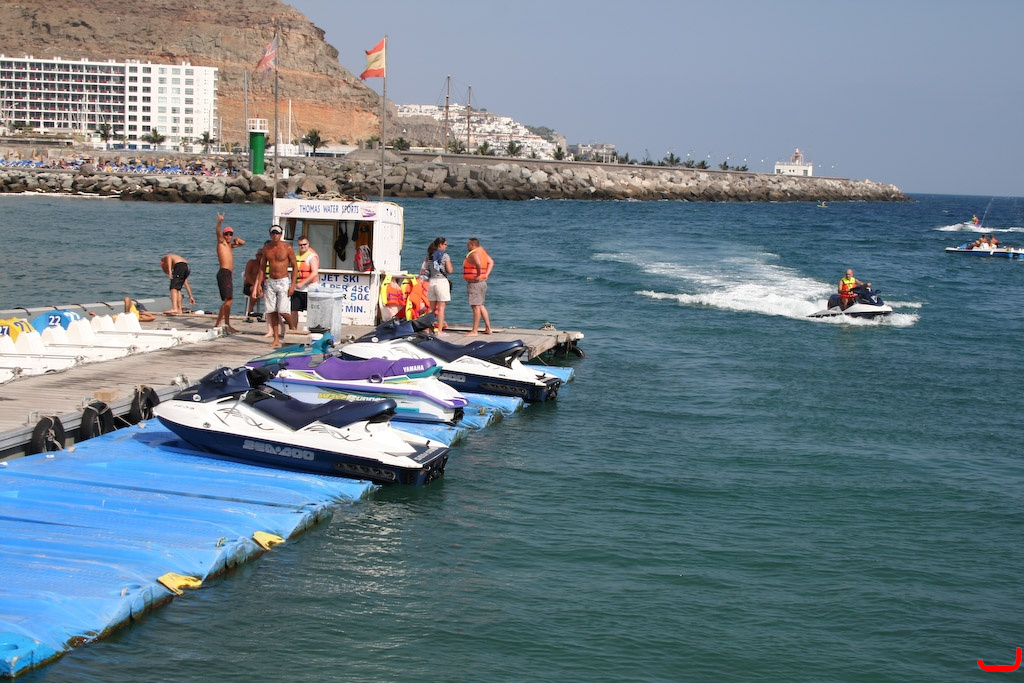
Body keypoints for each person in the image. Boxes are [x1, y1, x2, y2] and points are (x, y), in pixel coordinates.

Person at [253, 224, 297, 348]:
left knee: (283, 310)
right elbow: (262, 267)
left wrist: (292, 285)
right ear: (270, 234)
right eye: (273, 233)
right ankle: (276, 339)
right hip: (271, 281)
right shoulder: (267, 248)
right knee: (272, 311)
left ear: (281, 234)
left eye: (277, 233)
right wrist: (259, 284)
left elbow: (295, 267)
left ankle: (292, 327)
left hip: (283, 281)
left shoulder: (287, 248)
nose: (275, 235)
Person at [214, 212, 246, 333]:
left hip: (227, 274)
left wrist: (238, 241)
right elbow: (217, 231)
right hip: (224, 273)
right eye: (226, 234)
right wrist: (219, 221)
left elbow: (243, 243)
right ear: (223, 235)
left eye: (230, 234)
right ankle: (225, 324)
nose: (228, 236)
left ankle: (220, 324)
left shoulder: (229, 245)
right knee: (229, 300)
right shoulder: (222, 243)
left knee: (228, 300)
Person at [463, 237, 494, 336]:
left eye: (468, 244)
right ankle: (488, 328)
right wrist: (486, 274)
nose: (467, 246)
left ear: (472, 245)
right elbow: (491, 262)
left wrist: (478, 274)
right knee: (480, 305)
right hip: (482, 283)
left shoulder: (474, 253)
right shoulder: (482, 252)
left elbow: (478, 263)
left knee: (476, 307)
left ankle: (474, 331)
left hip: (475, 283)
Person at [288, 235, 319, 330]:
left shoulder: (312, 257)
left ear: (308, 244)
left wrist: (302, 283)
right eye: (300, 245)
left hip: (310, 289)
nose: (302, 246)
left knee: (312, 311)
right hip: (297, 288)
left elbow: (314, 272)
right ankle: (293, 330)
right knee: (294, 310)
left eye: (304, 244)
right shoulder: (296, 255)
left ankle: (312, 330)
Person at [425, 237, 453, 334]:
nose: (446, 246)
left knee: (431, 308)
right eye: (445, 244)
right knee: (441, 307)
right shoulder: (445, 256)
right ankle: (440, 331)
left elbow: (427, 270)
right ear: (440, 245)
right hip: (441, 281)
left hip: (432, 281)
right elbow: (450, 270)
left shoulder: (430, 256)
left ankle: (429, 329)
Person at [243, 242, 269, 319]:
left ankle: (268, 312)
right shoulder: (251, 263)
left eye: (262, 255)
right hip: (249, 285)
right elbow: (247, 275)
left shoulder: (265, 265)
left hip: (262, 286)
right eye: (259, 255)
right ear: (256, 255)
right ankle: (251, 310)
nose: (260, 257)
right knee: (254, 289)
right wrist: (255, 285)